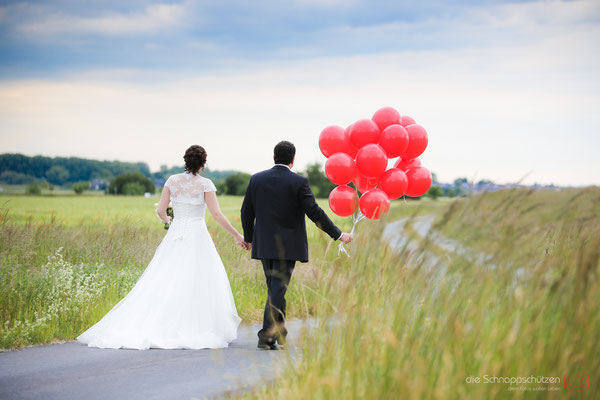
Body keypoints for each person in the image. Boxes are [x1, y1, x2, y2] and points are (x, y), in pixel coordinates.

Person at [77, 145, 243, 350]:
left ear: (185, 161)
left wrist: (169, 220)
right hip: (197, 235)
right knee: (198, 278)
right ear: (203, 163)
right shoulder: (206, 184)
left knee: (166, 276)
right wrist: (237, 235)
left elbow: (160, 210)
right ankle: (192, 324)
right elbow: (216, 214)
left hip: (176, 234)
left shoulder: (172, 181)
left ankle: (158, 322)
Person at [241, 140, 353, 350]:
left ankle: (279, 332)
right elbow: (315, 213)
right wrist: (338, 235)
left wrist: (249, 237)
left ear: (274, 157)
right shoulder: (299, 182)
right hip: (288, 246)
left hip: (264, 244)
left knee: (275, 289)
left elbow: (246, 211)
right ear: (293, 159)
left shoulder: (256, 179)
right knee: (277, 289)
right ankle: (266, 336)